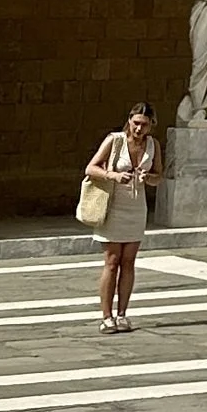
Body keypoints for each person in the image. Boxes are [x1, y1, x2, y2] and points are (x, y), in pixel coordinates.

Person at [83, 103, 160, 335]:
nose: (138, 128)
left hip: (137, 209)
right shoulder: (114, 140)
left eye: (144, 125)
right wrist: (114, 175)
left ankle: (123, 313)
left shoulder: (153, 145)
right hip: (114, 206)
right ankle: (106, 316)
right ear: (129, 121)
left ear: (150, 126)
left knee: (129, 261)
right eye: (136, 123)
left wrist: (149, 177)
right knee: (112, 260)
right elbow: (90, 168)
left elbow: (159, 176)